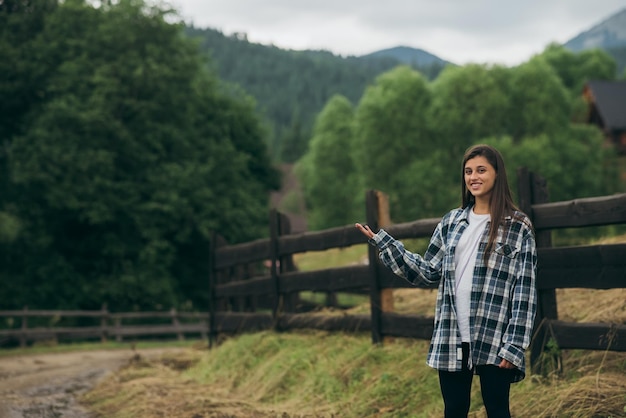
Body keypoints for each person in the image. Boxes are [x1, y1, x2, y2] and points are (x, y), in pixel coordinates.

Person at [356, 144, 537, 418]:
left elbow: (525, 291)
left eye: (481, 170)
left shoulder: (518, 226)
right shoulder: (452, 221)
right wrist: (385, 244)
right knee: (454, 410)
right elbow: (429, 270)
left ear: (497, 174)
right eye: (468, 171)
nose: (473, 177)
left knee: (498, 410)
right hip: (453, 332)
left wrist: (514, 345)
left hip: (494, 333)